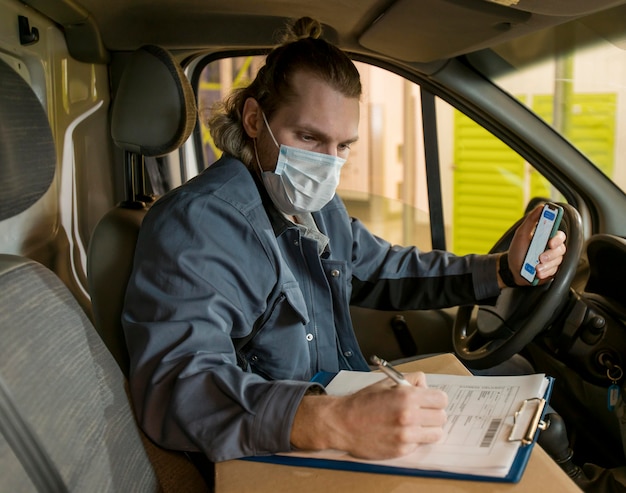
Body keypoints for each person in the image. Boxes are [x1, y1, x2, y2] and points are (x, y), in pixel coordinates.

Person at [121, 17, 567, 463]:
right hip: (276, 453)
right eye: (309, 137)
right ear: (255, 120)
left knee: (518, 387)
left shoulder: (315, 207)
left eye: (343, 146)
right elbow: (178, 385)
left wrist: (503, 269)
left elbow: (383, 270)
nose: (327, 165)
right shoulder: (199, 223)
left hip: (334, 414)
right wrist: (335, 421)